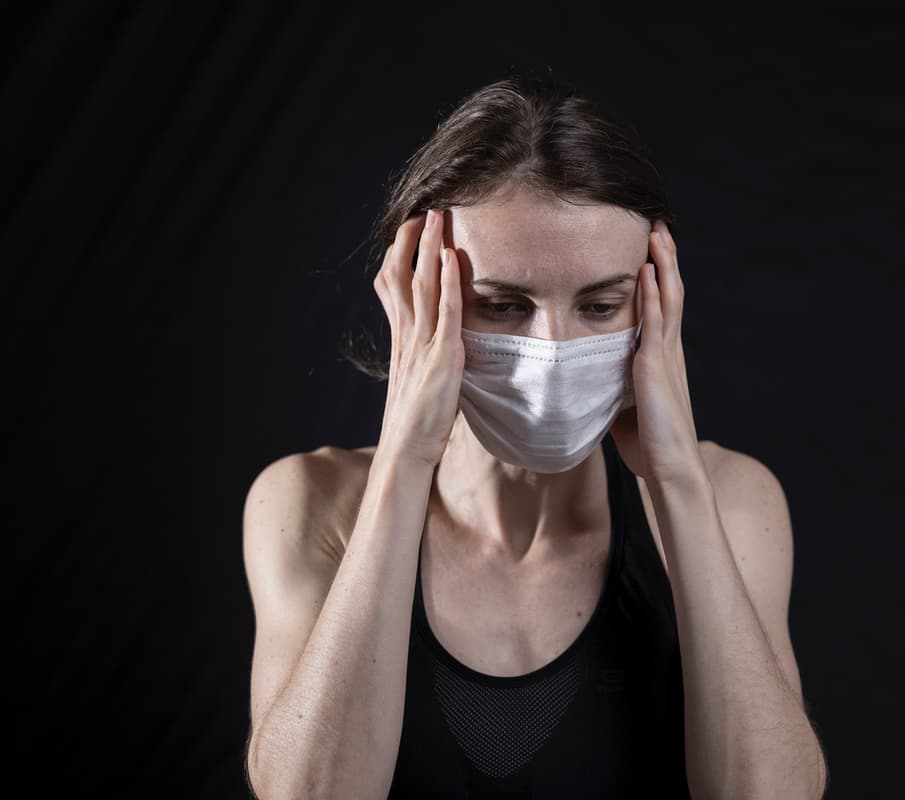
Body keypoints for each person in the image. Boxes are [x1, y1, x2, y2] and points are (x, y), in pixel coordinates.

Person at [241, 72, 828, 799]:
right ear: (420, 296)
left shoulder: (734, 501)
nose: (554, 350)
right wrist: (404, 459)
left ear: (654, 300)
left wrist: (677, 483)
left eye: (600, 304)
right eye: (503, 305)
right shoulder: (309, 503)